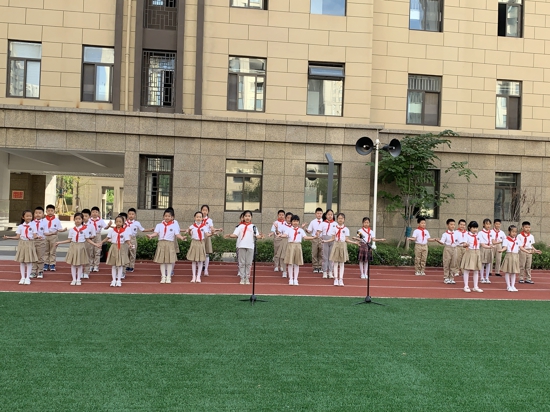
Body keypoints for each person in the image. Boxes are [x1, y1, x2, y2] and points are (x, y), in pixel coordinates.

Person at [55, 213, 100, 286]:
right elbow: (69, 240)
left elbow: (88, 239)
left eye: (79, 219)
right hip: (73, 246)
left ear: (82, 220)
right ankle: (74, 279)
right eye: (76, 219)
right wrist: (59, 242)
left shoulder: (85, 229)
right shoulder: (72, 230)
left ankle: (78, 279)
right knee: (73, 264)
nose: (77, 220)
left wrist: (96, 244)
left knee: (79, 264)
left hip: (81, 246)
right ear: (74, 220)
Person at [225, 210, 264, 285]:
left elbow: (257, 235)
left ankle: (247, 278)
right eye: (246, 216)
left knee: (248, 263)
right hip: (241, 246)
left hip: (250, 247)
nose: (247, 218)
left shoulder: (253, 227)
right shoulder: (240, 226)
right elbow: (235, 235)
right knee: (242, 263)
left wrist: (260, 236)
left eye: (249, 216)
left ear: (251, 217)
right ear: (243, 217)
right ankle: (242, 278)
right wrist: (229, 235)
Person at [147, 209, 186, 284]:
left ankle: (168, 277)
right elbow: (156, 233)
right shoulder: (159, 225)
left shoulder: (174, 226)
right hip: (161, 243)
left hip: (170, 243)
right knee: (162, 261)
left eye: (169, 216)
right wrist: (151, 236)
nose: (167, 217)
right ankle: (163, 276)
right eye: (165, 216)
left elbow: (177, 234)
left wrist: (181, 238)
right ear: (163, 216)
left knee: (169, 261)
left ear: (172, 217)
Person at [322, 213, 360, 286]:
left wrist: (354, 243)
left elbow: (347, 239)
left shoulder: (346, 229)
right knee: (335, 263)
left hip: (342, 245)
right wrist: (325, 241)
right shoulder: (334, 228)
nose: (340, 220)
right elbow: (332, 238)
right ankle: (336, 279)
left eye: (342, 218)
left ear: (344, 219)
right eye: (339, 218)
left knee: (342, 263)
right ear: (337, 219)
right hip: (336, 244)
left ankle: (341, 279)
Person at [277, 215, 316, 286]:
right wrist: (280, 235)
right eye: (294, 221)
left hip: (298, 246)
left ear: (299, 222)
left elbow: (305, 237)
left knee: (297, 263)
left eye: (297, 221)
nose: (295, 222)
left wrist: (313, 237)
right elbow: (285, 235)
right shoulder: (289, 229)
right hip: (290, 246)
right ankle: (290, 279)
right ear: (291, 222)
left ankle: (295, 279)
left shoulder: (300, 230)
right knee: (290, 263)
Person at [3, 210, 38, 285]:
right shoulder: (20, 226)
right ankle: (22, 277)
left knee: (29, 261)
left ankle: (28, 278)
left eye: (30, 216)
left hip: (30, 243)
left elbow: (35, 235)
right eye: (27, 216)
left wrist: (37, 237)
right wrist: (8, 237)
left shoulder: (33, 225)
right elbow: (17, 237)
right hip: (22, 243)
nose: (29, 217)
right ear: (23, 217)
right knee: (22, 261)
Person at [460, 221, 493, 293]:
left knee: (476, 270)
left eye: (476, 228)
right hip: (469, 252)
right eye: (473, 228)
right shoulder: (466, 235)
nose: (475, 229)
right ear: (469, 228)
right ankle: (466, 286)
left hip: (477, 252)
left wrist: (489, 247)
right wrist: (466, 245)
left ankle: (475, 286)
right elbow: (464, 244)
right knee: (467, 270)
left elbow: (483, 244)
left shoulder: (478, 235)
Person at [101, 215, 133, 287]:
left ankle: (119, 280)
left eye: (120, 222)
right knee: (114, 265)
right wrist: (101, 242)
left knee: (120, 265)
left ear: (123, 223)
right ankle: (113, 280)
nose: (118, 223)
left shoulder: (125, 231)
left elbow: (127, 240)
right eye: (117, 221)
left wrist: (130, 244)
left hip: (121, 247)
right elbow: (107, 238)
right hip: (114, 247)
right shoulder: (112, 230)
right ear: (115, 222)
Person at [125, 208, 152, 273]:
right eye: (129, 214)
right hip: (125, 239)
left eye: (132, 214)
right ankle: (126, 266)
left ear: (135, 215)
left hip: (133, 239)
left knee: (132, 253)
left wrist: (150, 229)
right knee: (126, 253)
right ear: (128, 214)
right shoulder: (125, 222)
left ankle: (131, 266)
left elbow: (142, 229)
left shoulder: (137, 223)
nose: (131, 215)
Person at [187, 211, 211, 283]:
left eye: (200, 217)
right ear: (194, 218)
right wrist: (189, 231)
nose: (198, 218)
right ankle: (193, 276)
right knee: (194, 260)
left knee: (200, 260)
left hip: (201, 243)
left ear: (202, 218)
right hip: (194, 243)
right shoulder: (192, 226)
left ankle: (198, 276)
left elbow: (207, 234)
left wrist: (212, 233)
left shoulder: (204, 227)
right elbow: (190, 234)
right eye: (197, 217)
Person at [200, 205, 223, 276]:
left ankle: (206, 269)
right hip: (199, 237)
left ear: (208, 211)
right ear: (201, 211)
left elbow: (212, 228)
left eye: (206, 210)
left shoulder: (209, 220)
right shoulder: (198, 218)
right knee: (199, 253)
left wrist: (217, 230)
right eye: (203, 210)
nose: (204, 212)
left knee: (207, 253)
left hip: (207, 236)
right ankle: (200, 268)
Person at [43, 204, 67, 272]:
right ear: (46, 211)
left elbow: (59, 229)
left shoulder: (57, 220)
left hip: (53, 237)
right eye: (48, 211)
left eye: (52, 211)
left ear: (54, 211)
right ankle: (46, 263)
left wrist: (63, 230)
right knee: (46, 251)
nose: (50, 212)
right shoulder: (43, 220)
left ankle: (52, 264)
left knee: (52, 251)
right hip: (45, 236)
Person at [499, 225, 523, 292]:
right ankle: (508, 286)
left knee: (514, 272)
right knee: (508, 271)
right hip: (509, 255)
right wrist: (501, 250)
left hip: (515, 256)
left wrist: (529, 251)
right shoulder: (506, 240)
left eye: (515, 232)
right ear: (509, 232)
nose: (514, 233)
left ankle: (513, 285)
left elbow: (521, 247)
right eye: (513, 232)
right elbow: (505, 247)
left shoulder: (517, 240)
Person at [89, 206, 112, 273]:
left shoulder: (100, 221)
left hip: (98, 235)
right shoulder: (89, 220)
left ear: (98, 213)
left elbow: (105, 228)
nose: (94, 213)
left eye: (96, 212)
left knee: (97, 251)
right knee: (90, 251)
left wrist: (109, 225)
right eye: (93, 212)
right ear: (91, 213)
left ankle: (96, 266)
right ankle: (90, 265)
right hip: (90, 236)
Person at [436, 219, 459, 284]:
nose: (453, 226)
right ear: (447, 225)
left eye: (454, 224)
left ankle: (451, 277)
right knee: (447, 263)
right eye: (451, 224)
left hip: (454, 248)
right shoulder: (445, 234)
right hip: (448, 248)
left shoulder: (456, 233)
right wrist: (438, 241)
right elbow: (442, 242)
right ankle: (446, 277)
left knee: (453, 263)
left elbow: (459, 241)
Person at [30, 206, 48, 279]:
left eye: (40, 213)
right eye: (36, 213)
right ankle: (33, 271)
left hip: (41, 241)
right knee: (33, 256)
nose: (38, 214)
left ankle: (40, 271)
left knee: (40, 256)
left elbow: (46, 232)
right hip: (33, 241)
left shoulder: (44, 223)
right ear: (34, 214)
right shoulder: (31, 223)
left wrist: (52, 233)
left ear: (43, 214)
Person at [306, 207, 324, 274]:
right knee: (314, 253)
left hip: (322, 239)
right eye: (318, 213)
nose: (319, 215)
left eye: (320, 213)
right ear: (315, 214)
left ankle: (320, 266)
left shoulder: (324, 222)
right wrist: (305, 229)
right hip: (314, 238)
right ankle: (315, 266)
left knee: (321, 253)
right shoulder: (313, 222)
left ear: (322, 214)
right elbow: (309, 231)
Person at [81, 209, 97, 279]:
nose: (84, 217)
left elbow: (94, 235)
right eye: (83, 216)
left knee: (87, 257)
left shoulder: (91, 226)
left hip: (88, 242)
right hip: (80, 243)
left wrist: (88, 237)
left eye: (86, 216)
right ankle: (80, 272)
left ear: (89, 217)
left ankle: (86, 272)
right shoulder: (79, 225)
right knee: (80, 257)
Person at [320, 209, 336, 279]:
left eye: (331, 214)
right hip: (325, 239)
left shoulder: (335, 224)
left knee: (331, 257)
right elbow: (318, 232)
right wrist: (320, 237)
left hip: (332, 240)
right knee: (325, 257)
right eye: (328, 214)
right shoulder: (323, 223)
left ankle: (330, 272)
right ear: (326, 215)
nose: (330, 216)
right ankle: (324, 271)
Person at [478, 218, 494, 284]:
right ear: (483, 224)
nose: (488, 225)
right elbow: (481, 243)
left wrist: (495, 244)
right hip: (484, 248)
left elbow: (492, 240)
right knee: (482, 263)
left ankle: (487, 277)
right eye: (487, 224)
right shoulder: (480, 233)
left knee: (488, 263)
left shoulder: (491, 232)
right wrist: (488, 246)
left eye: (489, 224)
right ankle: (482, 277)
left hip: (490, 248)